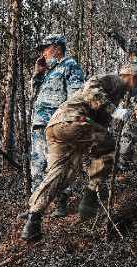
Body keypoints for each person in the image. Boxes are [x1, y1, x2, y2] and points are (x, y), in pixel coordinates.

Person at [21, 65, 137, 241]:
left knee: (62, 174)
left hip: (56, 128)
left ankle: (33, 219)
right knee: (109, 146)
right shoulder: (113, 80)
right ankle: (90, 196)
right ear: (131, 77)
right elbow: (91, 90)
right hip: (73, 121)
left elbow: (100, 124)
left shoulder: (120, 94)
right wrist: (115, 111)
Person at [29, 34, 85, 218]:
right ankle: (35, 208)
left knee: (57, 165)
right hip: (39, 125)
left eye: (46, 48)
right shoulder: (48, 71)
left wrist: (70, 121)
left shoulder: (70, 65)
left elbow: (76, 97)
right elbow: (34, 94)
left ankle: (61, 204)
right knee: (37, 167)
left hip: (56, 125)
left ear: (57, 48)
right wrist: (38, 73)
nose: (43, 53)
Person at [116, 41, 137, 172]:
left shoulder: (134, 69)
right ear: (130, 55)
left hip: (128, 108)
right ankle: (122, 166)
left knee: (128, 136)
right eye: (136, 54)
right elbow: (133, 90)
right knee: (127, 136)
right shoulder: (131, 70)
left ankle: (124, 163)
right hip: (130, 109)